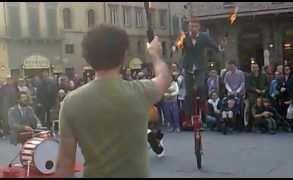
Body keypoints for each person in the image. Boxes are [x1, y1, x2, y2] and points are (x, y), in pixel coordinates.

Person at [55, 24, 170, 178]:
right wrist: (155, 54)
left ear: (88, 58)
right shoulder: (140, 92)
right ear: (123, 56)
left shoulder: (70, 103)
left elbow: (64, 164)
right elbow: (164, 78)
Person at [176, 16, 222, 123]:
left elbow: (213, 45)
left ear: (199, 28)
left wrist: (220, 47)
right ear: (188, 27)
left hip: (200, 67)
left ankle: (204, 108)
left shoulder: (204, 36)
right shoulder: (184, 36)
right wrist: (175, 48)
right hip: (188, 67)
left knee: (200, 86)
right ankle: (187, 116)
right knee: (188, 92)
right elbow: (178, 45)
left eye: (195, 26)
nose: (193, 29)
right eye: (191, 26)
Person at [224, 60, 246, 131]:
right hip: (230, 94)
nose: (231, 68)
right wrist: (230, 91)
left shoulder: (240, 73)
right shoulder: (227, 74)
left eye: (232, 66)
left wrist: (237, 91)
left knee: (240, 109)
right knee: (230, 108)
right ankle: (231, 124)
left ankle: (240, 125)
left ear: (235, 66)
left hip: (239, 93)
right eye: (229, 66)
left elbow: (242, 83)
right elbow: (226, 83)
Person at [246, 63, 268, 131]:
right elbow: (248, 86)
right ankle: (250, 124)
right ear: (251, 68)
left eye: (256, 67)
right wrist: (255, 90)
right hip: (253, 94)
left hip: (262, 93)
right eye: (253, 67)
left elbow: (267, 85)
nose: (255, 69)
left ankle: (265, 123)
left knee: (266, 103)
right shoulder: (248, 76)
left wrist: (265, 89)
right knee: (252, 103)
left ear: (258, 68)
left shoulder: (264, 76)